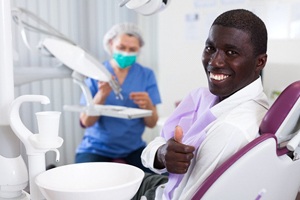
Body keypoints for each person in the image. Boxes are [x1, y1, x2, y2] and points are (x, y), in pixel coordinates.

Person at [132, 9, 269, 200]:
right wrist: (162, 154)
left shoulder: (231, 129)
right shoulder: (201, 96)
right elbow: (154, 146)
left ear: (260, 62)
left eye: (231, 52)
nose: (214, 61)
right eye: (210, 48)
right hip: (163, 184)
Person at [75, 22, 161, 173]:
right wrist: (101, 95)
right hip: (95, 149)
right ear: (111, 44)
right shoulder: (96, 73)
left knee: (155, 181)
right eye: (122, 47)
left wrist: (148, 105)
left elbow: (152, 123)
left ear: (139, 49)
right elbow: (86, 122)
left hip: (133, 149)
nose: (126, 53)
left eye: (132, 49)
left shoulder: (146, 75)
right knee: (87, 182)